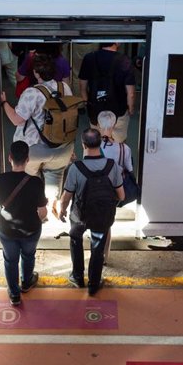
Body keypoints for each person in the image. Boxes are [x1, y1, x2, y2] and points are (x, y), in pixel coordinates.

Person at [1, 53, 76, 213]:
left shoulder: (32, 93)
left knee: (30, 180)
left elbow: (17, 119)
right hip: (62, 146)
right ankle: (52, 208)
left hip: (34, 147)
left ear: (36, 73)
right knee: (54, 179)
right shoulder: (65, 88)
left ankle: (35, 210)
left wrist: (4, 103)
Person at [58, 128, 124, 295]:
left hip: (80, 215)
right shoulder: (112, 166)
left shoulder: (76, 168)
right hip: (102, 215)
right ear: (100, 143)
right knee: (97, 247)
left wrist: (62, 211)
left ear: (83, 144)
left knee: (75, 240)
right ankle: (94, 285)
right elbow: (121, 195)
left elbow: (66, 196)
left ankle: (77, 277)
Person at [0, 141, 48, 306]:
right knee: (28, 256)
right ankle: (27, 282)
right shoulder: (36, 182)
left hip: (7, 231)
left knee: (10, 260)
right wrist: (39, 221)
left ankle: (14, 294)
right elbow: (42, 212)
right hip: (31, 230)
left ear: (10, 158)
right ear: (28, 159)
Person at [78, 42, 136, 144]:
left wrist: (88, 104)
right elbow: (130, 93)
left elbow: (82, 87)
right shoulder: (125, 60)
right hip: (119, 110)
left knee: (96, 143)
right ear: (117, 42)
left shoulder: (89, 58)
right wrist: (130, 109)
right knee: (119, 143)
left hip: (95, 110)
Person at [96, 110, 134, 264]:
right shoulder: (124, 148)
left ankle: (96, 252)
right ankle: (105, 256)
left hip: (95, 190)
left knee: (96, 221)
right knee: (107, 224)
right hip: (113, 191)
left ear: (98, 125)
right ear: (115, 125)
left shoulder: (91, 146)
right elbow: (129, 170)